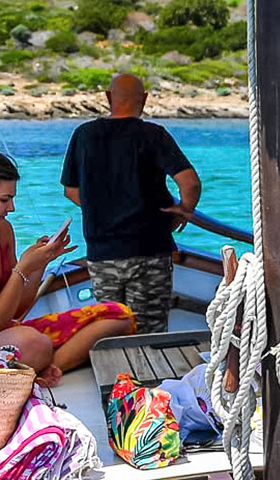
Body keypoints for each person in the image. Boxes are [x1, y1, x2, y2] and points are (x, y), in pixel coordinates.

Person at [0, 148, 136, 386]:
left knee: (118, 315)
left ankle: (48, 368)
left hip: (2, 333)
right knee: (33, 342)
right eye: (4, 199)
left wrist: (39, 264)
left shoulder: (2, 230)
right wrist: (21, 269)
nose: (11, 208)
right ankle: (42, 364)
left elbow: (16, 310)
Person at [60, 73, 201, 334]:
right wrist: (184, 211)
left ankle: (117, 375)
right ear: (144, 99)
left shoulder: (84, 134)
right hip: (150, 249)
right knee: (148, 334)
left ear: (108, 97)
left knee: (111, 330)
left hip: (102, 253)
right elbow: (189, 182)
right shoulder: (153, 135)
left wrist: (103, 207)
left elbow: (71, 190)